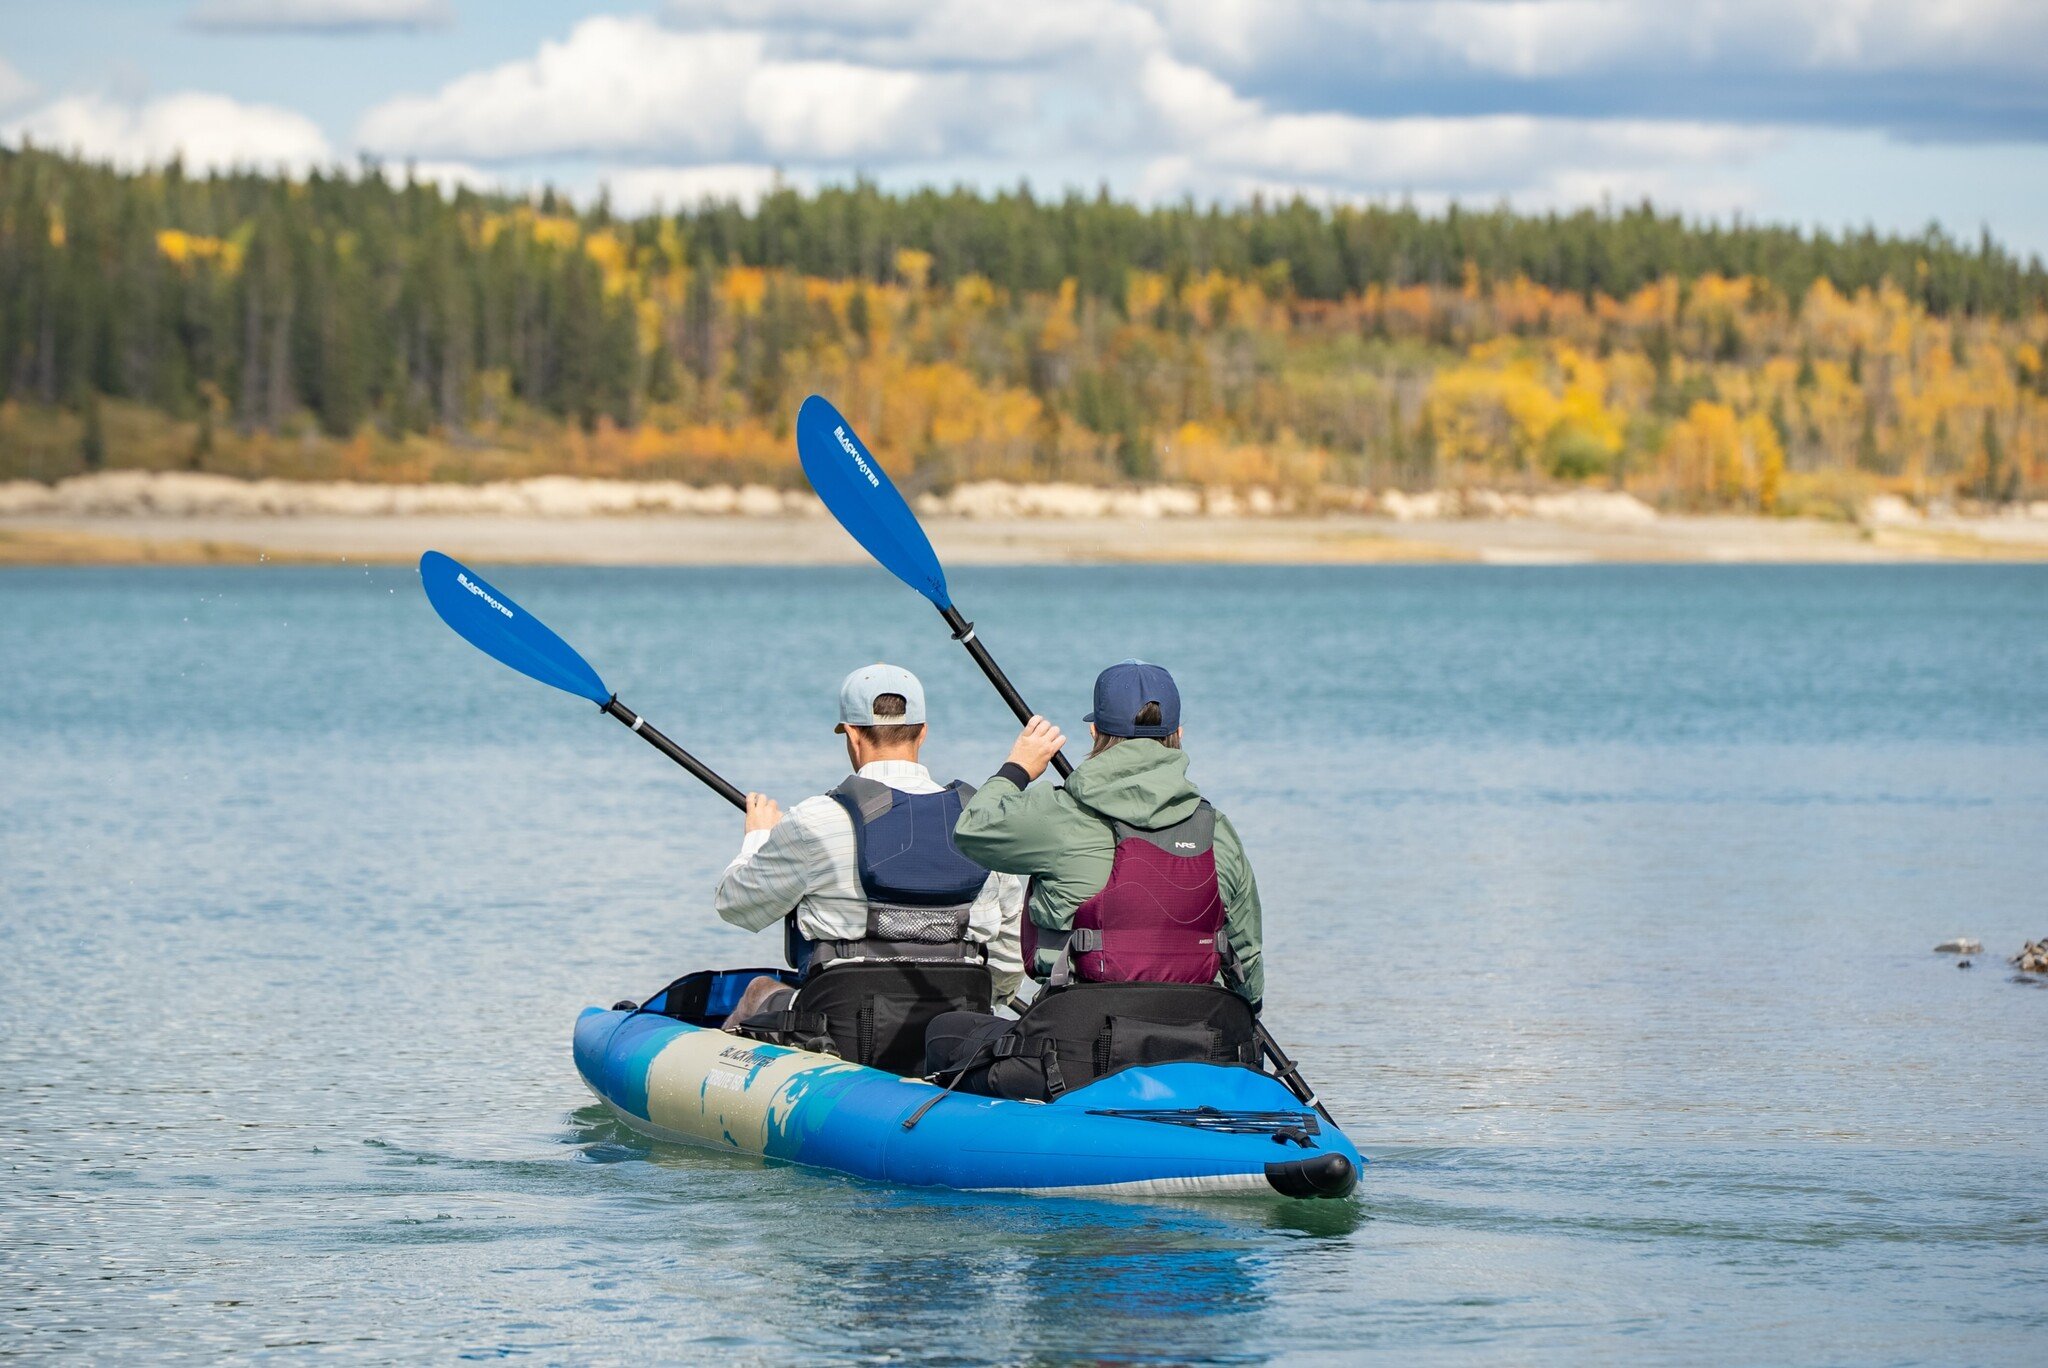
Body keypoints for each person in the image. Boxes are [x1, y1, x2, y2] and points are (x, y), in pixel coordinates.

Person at [924, 659, 1265, 1098]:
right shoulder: (1215, 828)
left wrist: (1018, 768)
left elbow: (973, 829)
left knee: (945, 1031)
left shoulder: (1059, 813)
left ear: (1094, 733)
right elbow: (1247, 960)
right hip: (1198, 1047)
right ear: (1178, 735)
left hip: (1076, 1056)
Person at [712, 664, 1024, 1073]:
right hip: (956, 1030)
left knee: (757, 991)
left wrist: (758, 836)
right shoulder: (984, 822)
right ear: (922, 732)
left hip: (841, 1032)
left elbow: (736, 905)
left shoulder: (815, 820)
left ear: (852, 735)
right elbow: (1009, 959)